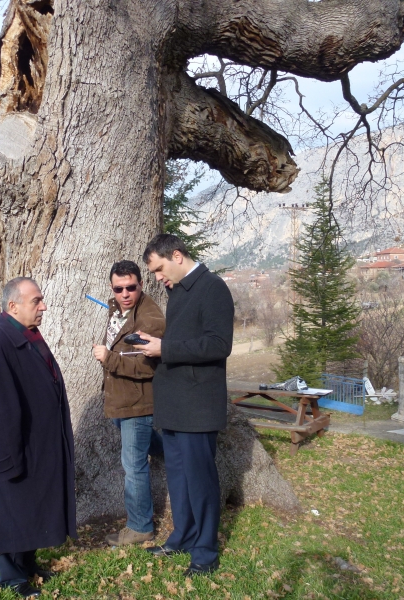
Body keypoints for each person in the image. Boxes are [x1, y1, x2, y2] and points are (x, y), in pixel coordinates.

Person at [0, 277, 76, 598]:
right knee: (8, 511)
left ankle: (27, 565)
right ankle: (10, 577)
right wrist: (4, 460)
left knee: (30, 508)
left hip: (35, 447)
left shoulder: (26, 336)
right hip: (9, 452)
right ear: (13, 306)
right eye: (36, 301)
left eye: (42, 300)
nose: (43, 306)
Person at [137, 234, 234, 577]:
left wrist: (165, 350)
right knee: (178, 478)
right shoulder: (177, 292)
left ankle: (205, 552)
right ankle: (183, 536)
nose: (159, 278)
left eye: (160, 269)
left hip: (197, 405)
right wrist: (155, 346)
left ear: (177, 256)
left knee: (200, 480)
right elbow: (181, 341)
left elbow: (219, 344)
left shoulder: (213, 288)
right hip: (174, 403)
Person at [91, 260, 165, 547]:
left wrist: (108, 358)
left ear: (141, 285)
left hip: (137, 403)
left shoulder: (150, 318)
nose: (125, 293)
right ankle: (178, 455)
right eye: (119, 288)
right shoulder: (118, 309)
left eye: (131, 287)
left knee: (133, 465)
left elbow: (148, 367)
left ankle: (140, 527)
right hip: (121, 400)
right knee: (152, 447)